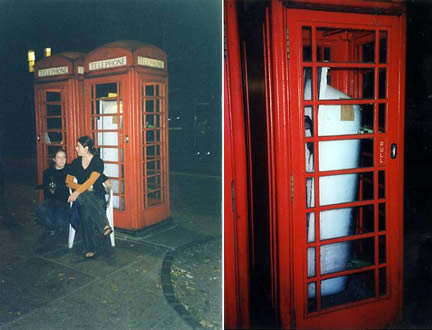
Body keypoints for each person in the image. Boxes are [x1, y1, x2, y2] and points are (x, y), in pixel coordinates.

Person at [66, 136, 112, 259]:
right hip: (82, 195)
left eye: (78, 146)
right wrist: (79, 189)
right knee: (85, 199)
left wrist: (77, 192)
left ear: (86, 148)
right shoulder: (75, 163)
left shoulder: (97, 162)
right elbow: (68, 181)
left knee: (85, 208)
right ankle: (104, 225)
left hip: (97, 195)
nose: (75, 148)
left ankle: (89, 248)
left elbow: (91, 181)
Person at [36, 148, 71, 235]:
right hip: (52, 200)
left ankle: (54, 225)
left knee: (61, 221)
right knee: (41, 208)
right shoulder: (47, 172)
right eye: (59, 157)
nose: (62, 160)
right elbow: (46, 192)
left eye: (64, 157)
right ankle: (51, 226)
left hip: (64, 201)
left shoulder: (70, 170)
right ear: (54, 159)